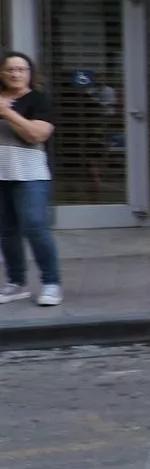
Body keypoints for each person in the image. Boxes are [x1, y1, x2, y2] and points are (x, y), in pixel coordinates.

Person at [0, 51, 63, 307]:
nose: (16, 74)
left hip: (30, 175)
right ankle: (16, 283)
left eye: (21, 69)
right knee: (6, 232)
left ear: (30, 74)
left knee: (35, 226)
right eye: (10, 69)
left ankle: (51, 283)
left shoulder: (39, 100)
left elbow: (37, 135)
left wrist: (7, 113)